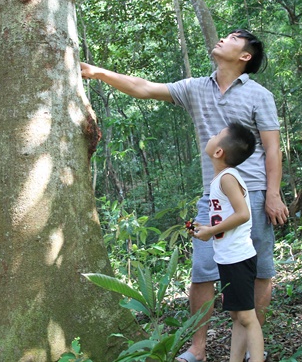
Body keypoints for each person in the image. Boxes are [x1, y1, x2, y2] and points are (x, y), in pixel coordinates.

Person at [80, 29, 288, 362]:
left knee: (260, 269)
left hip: (255, 193)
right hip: (213, 195)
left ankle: (252, 343)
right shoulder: (196, 88)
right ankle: (198, 348)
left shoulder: (259, 95)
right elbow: (144, 88)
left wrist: (273, 194)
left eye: (233, 38)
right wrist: (98, 73)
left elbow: (272, 146)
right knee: (203, 270)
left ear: (245, 56)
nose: (223, 39)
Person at [191, 122, 264, 362]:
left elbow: (243, 213)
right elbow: (226, 215)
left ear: (219, 152)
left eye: (216, 134)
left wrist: (211, 231)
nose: (211, 135)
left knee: (247, 318)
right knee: (237, 316)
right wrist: (206, 228)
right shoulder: (221, 178)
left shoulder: (227, 178)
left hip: (238, 258)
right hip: (227, 257)